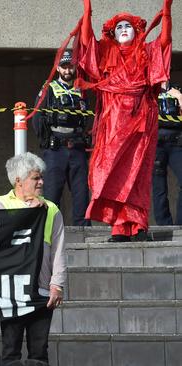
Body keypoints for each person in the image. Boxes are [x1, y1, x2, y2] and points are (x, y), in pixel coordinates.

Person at [74, 0, 172, 241]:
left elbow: (165, 43)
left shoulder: (146, 52)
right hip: (113, 122)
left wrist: (168, 12)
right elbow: (87, 43)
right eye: (119, 27)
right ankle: (118, 225)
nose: (124, 29)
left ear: (136, 30)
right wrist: (87, 10)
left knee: (137, 173)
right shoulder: (107, 52)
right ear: (112, 34)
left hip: (140, 119)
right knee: (110, 173)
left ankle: (137, 225)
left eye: (128, 25)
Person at [0, 152, 66, 366]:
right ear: (18, 181)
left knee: (39, 352)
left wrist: (57, 285)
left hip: (41, 292)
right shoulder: (0, 204)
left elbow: (59, 251)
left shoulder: (51, 209)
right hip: (11, 291)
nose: (41, 182)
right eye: (35, 178)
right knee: (10, 350)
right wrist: (28, 213)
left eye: (41, 177)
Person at [32, 50, 91, 226]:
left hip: (77, 148)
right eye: (64, 67)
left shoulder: (80, 89)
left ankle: (83, 230)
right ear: (58, 68)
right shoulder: (49, 88)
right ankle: (49, 230)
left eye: (70, 66)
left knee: (81, 193)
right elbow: (37, 118)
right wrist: (47, 143)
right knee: (52, 193)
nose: (67, 70)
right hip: (56, 148)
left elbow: (86, 117)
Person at [153, 81, 182, 224]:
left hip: (176, 142)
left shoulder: (177, 90)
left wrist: (180, 97)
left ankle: (180, 225)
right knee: (158, 186)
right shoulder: (148, 90)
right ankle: (164, 225)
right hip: (155, 142)